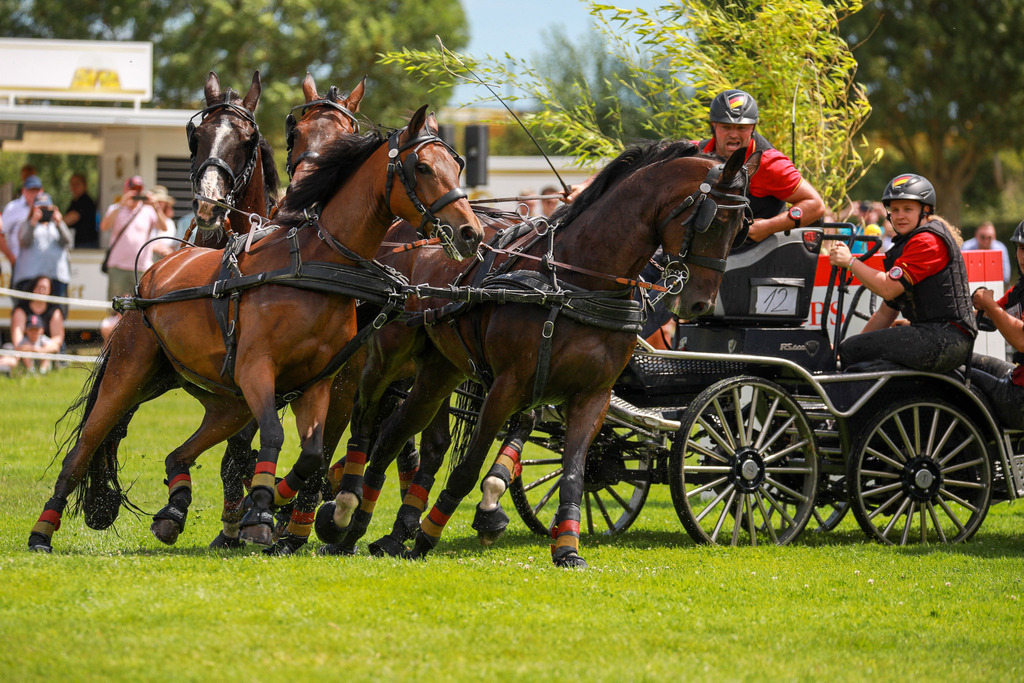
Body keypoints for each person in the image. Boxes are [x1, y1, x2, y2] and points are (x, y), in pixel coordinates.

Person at [566, 89, 826, 242]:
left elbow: (815, 205)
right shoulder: (697, 153)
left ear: (753, 128)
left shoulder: (769, 163)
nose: (734, 135)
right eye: (726, 127)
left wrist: (768, 226)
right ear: (714, 126)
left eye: (741, 129)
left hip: (754, 250)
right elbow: (637, 165)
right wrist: (586, 187)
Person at [828, 173, 976, 373]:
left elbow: (887, 288)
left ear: (925, 211)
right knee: (851, 348)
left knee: (852, 350)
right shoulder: (908, 243)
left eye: (907, 209)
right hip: (938, 336)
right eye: (895, 210)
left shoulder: (927, 242)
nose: (899, 216)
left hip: (945, 339)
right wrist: (842, 349)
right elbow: (885, 312)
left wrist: (850, 261)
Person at [968, 221, 1024, 429]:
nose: (1023, 257)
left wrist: (989, 304)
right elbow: (989, 318)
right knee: (965, 364)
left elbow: (1021, 340)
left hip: (1020, 400)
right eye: (1021, 248)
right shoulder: (1019, 291)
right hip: (1019, 380)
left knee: (956, 378)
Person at [98, 176, 165, 340]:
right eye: (132, 189)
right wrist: (121, 205)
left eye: (139, 190)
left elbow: (163, 226)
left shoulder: (148, 210)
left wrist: (156, 206)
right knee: (115, 309)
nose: (135, 193)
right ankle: (112, 344)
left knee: (141, 308)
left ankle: (135, 344)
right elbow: (104, 226)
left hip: (141, 268)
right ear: (125, 190)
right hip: (118, 267)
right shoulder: (116, 208)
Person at [12, 192, 72, 307]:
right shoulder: (26, 224)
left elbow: (67, 241)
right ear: (33, 208)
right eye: (40, 208)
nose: (43, 212)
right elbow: (25, 241)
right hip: (30, 276)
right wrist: (33, 222)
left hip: (56, 276)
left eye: (46, 208)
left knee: (56, 310)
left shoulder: (57, 225)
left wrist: (59, 222)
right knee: (27, 309)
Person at [5, 276, 65, 375]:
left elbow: (57, 341)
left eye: (44, 288)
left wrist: (41, 350)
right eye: (39, 287)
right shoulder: (21, 310)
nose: (41, 291)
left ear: (49, 291)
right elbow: (18, 342)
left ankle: (43, 372)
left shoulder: (55, 312)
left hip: (45, 349)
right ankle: (30, 370)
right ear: (33, 288)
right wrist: (33, 349)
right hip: (24, 351)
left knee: (48, 350)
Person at [1, 174, 43, 265]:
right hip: (19, 263)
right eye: (31, 191)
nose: (34, 194)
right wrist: (12, 259)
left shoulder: (45, 207)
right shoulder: (13, 207)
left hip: (40, 264)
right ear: (24, 190)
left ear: (41, 191)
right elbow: (1, 234)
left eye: (37, 191)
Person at [961, 221, 1011, 285]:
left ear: (994, 237)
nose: (986, 240)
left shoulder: (1001, 249)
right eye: (982, 237)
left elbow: (1006, 277)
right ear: (976, 235)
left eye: (989, 237)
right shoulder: (966, 248)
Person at [64, 173, 99, 249]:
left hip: (87, 244)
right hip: (79, 242)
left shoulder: (85, 201)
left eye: (77, 184)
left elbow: (73, 217)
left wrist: (56, 223)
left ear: (85, 185)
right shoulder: (75, 201)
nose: (74, 187)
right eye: (72, 184)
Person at [148, 185, 177, 261]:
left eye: (162, 201)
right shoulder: (144, 218)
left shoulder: (169, 223)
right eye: (157, 201)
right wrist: (153, 247)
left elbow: (173, 245)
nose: (159, 204)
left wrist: (167, 251)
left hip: (163, 263)